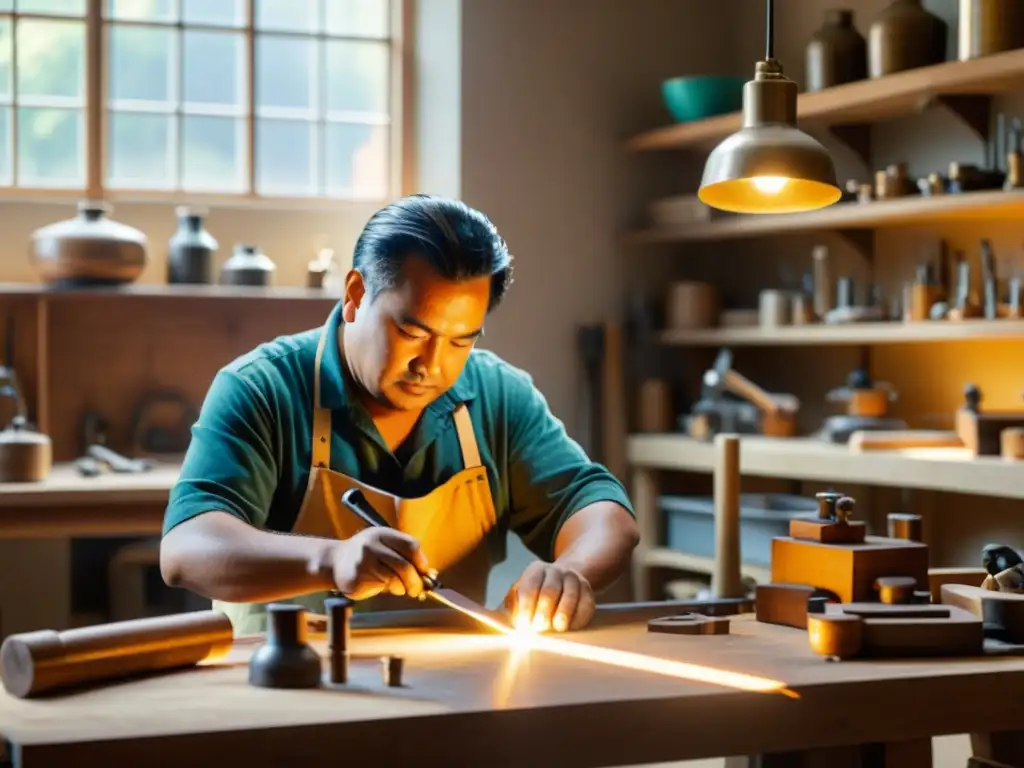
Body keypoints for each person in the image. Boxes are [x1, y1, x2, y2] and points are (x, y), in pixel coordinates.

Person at [160, 194, 639, 636]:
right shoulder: (262, 388)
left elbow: (602, 512)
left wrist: (571, 575)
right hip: (284, 688)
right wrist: (329, 560)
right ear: (354, 295)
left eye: (460, 341)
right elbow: (186, 549)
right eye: (411, 332)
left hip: (452, 687)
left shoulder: (497, 396)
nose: (431, 365)